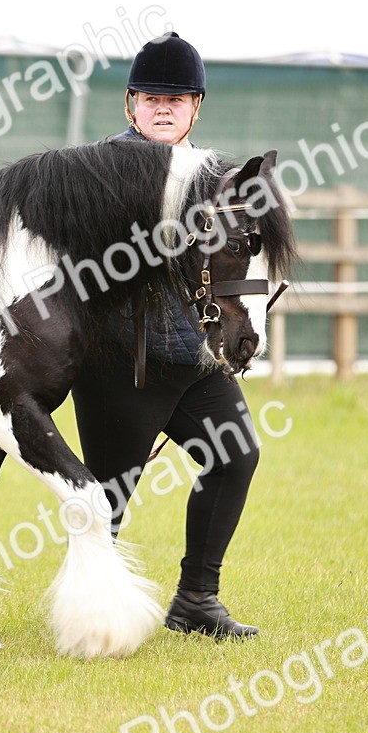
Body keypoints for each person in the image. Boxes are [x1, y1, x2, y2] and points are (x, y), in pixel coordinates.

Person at [72, 31, 261, 639]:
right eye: (151, 97)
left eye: (177, 98)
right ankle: (92, 613)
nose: (163, 107)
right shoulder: (96, 171)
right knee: (109, 503)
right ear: (130, 105)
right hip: (122, 364)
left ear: (195, 107)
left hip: (195, 364)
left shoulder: (216, 177)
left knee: (235, 457)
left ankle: (196, 601)